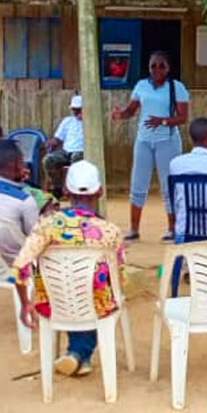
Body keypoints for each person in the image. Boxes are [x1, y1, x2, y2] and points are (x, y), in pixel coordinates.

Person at [12, 160, 125, 377]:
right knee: (95, 294)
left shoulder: (46, 225)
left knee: (72, 289)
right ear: (100, 192)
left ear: (65, 191)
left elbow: (21, 266)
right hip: (95, 304)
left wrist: (26, 304)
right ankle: (77, 355)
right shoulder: (110, 231)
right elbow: (119, 275)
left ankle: (78, 357)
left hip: (52, 300)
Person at [111, 51, 190, 242]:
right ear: (148, 67)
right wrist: (120, 114)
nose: (157, 69)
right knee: (138, 184)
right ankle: (133, 229)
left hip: (167, 142)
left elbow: (182, 117)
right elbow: (131, 110)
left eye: (161, 65)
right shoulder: (141, 86)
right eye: (153, 65)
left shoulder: (176, 88)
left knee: (168, 185)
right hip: (144, 141)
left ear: (168, 68)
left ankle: (172, 228)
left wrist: (161, 121)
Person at [44, 95, 85, 199]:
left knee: (76, 158)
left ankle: (73, 188)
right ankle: (57, 188)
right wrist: (51, 142)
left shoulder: (90, 122)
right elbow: (57, 138)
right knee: (48, 160)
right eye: (74, 109)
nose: (75, 112)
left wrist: (85, 118)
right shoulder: (68, 121)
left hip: (82, 151)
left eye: (78, 109)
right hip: (66, 151)